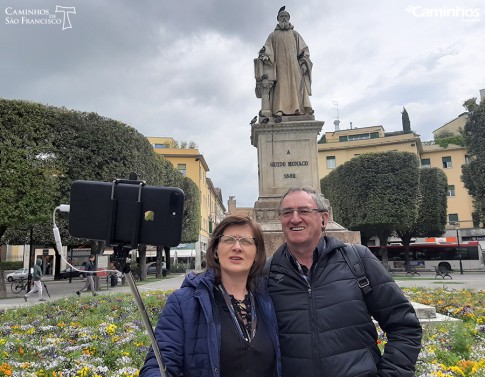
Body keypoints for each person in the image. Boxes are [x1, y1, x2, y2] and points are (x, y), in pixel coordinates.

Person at [267, 187, 422, 377]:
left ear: (324, 219)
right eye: (287, 212)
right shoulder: (267, 273)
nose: (295, 218)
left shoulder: (358, 260)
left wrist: (392, 374)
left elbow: (404, 325)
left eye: (304, 211)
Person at [140, 215, 281, 377]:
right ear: (215, 250)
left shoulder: (269, 299)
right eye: (228, 240)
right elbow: (159, 364)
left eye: (246, 241)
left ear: (257, 253)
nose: (237, 247)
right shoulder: (184, 302)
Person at [258, 7, 313, 117]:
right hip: (280, 67)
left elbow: (303, 50)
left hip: (294, 66)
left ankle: (298, 108)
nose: (284, 18)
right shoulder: (273, 35)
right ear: (278, 19)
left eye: (286, 16)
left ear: (289, 18)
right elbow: (266, 49)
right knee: (281, 86)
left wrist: (303, 63)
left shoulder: (295, 34)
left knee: (297, 86)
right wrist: (265, 56)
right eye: (282, 16)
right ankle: (279, 109)